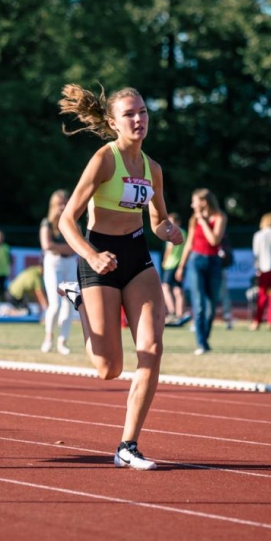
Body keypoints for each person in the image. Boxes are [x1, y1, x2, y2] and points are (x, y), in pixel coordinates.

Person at [56, 83, 182, 471]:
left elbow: (158, 221)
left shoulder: (153, 169)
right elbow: (65, 220)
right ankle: (79, 297)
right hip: (99, 258)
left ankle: (128, 445)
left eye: (142, 111)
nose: (139, 119)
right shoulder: (103, 160)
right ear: (113, 122)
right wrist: (92, 257)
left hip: (137, 257)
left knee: (153, 349)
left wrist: (170, 231)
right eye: (129, 114)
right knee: (108, 368)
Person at [175, 189, 227, 354]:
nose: (192, 205)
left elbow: (214, 240)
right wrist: (181, 266)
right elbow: (189, 243)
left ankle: (205, 337)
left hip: (213, 262)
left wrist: (204, 222)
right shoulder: (193, 220)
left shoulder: (220, 217)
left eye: (194, 201)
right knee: (198, 304)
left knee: (211, 305)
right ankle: (201, 343)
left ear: (204, 202)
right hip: (196, 261)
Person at [40, 189, 79, 355]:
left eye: (65, 203)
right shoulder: (47, 223)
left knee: (70, 303)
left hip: (70, 263)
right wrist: (67, 248)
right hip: (53, 263)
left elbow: (77, 245)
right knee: (54, 304)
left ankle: (63, 340)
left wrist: (66, 248)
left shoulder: (73, 223)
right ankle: (48, 337)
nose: (62, 206)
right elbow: (47, 245)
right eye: (59, 203)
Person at [159, 212, 187, 325]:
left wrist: (164, 260)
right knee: (177, 290)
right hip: (180, 264)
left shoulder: (172, 232)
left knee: (165, 287)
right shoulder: (185, 232)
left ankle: (172, 312)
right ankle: (180, 314)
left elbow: (169, 248)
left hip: (171, 264)